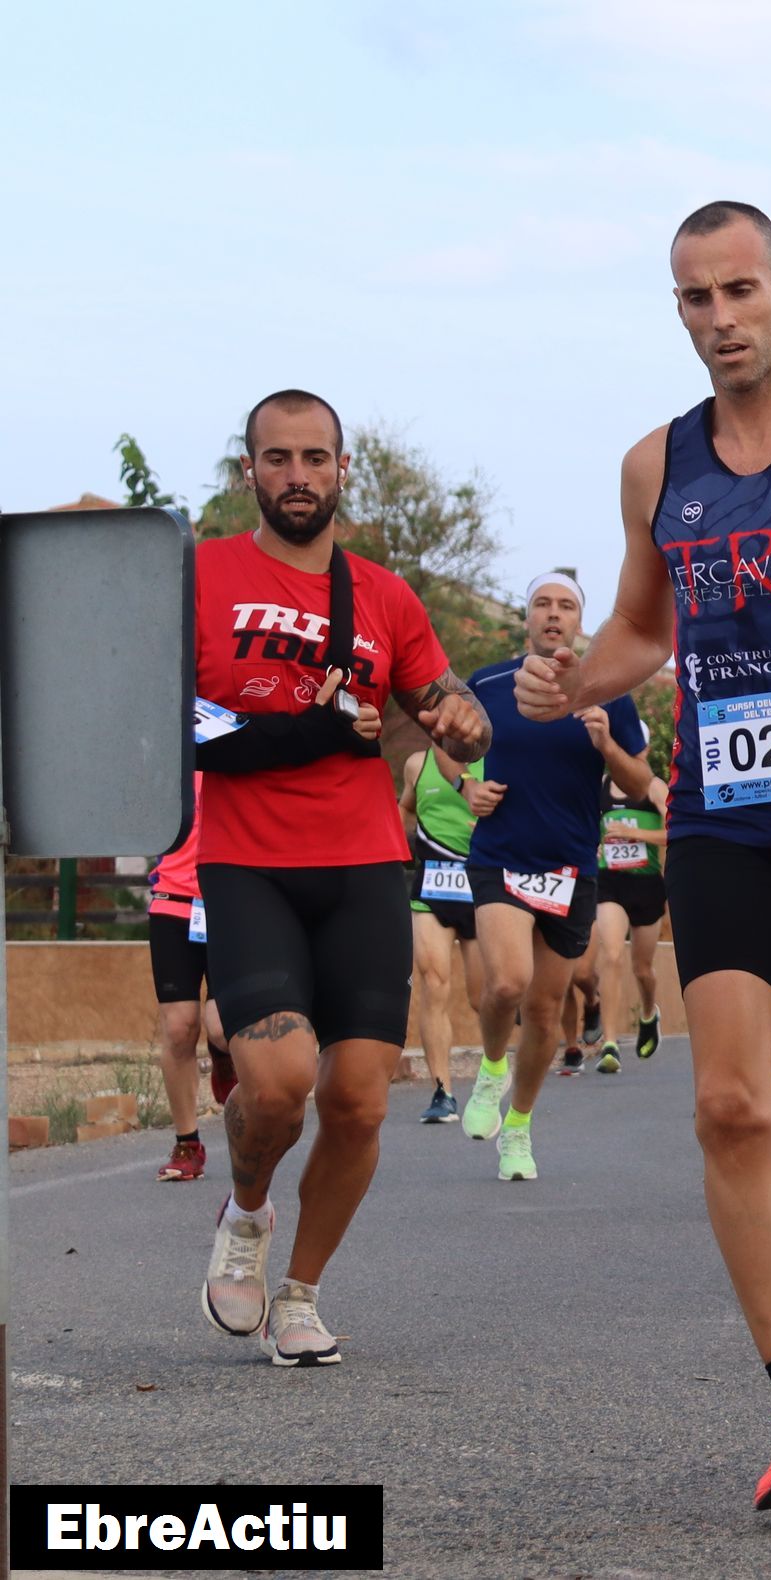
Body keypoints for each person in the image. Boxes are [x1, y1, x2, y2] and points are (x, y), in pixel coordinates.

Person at [514, 202, 771, 1509]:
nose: (720, 317)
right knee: (730, 1106)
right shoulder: (658, 463)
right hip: (717, 817)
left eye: (740, 289)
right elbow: (645, 628)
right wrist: (570, 680)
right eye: (695, 297)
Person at [196, 388, 489, 1366]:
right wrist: (306, 729)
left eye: (314, 458)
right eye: (277, 458)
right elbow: (182, 728)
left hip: (363, 861)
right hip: (248, 860)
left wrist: (465, 721)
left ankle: (299, 1294)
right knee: (279, 1084)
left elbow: (444, 700)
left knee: (360, 1099)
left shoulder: (383, 595)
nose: (297, 476)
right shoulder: (202, 577)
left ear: (341, 470)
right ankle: (246, 1214)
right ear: (249, 470)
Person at [461, 573, 651, 1180]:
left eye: (565, 606)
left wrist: (607, 746)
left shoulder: (607, 693)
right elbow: (445, 741)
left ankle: (518, 1126)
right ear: (527, 617)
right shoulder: (490, 684)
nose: (553, 613)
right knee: (507, 983)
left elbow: (641, 781)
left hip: (571, 867)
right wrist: (465, 785)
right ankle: (492, 1067)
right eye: (542, 603)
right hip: (500, 855)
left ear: (579, 623)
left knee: (545, 1013)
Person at [399, 743, 488, 1123]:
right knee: (433, 981)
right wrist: (406, 843)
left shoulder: (495, 761)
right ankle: (442, 1091)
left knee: (483, 996)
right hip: (433, 885)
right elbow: (405, 808)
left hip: (481, 885)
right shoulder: (417, 764)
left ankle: (494, 1073)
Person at [148, 773, 229, 1181]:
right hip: (173, 901)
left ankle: (224, 1057)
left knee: (221, 1028)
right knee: (179, 1028)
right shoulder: (170, 760)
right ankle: (187, 1144)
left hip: (231, 900)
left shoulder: (239, 750)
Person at [571, 758, 670, 1073]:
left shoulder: (653, 787)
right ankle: (610, 1043)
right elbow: (582, 826)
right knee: (611, 954)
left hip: (647, 885)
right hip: (610, 883)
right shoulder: (600, 787)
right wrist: (593, 846)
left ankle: (648, 1013)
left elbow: (675, 830)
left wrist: (634, 832)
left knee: (642, 969)